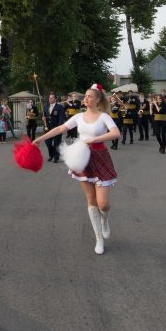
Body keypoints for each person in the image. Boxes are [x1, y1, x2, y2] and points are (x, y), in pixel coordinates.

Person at [35, 84, 120, 255]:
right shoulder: (79, 117)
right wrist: (39, 139)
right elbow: (60, 128)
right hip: (83, 158)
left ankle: (105, 220)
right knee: (91, 201)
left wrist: (94, 139)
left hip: (100, 157)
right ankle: (98, 238)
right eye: (85, 96)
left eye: (89, 96)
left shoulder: (104, 116)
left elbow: (115, 133)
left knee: (103, 204)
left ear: (97, 99)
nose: (85, 98)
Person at [42, 93, 65, 162]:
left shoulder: (59, 107)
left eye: (52, 98)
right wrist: (43, 118)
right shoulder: (45, 106)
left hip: (56, 127)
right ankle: (51, 154)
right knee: (48, 142)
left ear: (55, 99)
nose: (50, 99)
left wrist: (59, 128)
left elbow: (61, 118)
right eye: (49, 98)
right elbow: (44, 116)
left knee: (56, 143)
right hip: (48, 128)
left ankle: (56, 157)